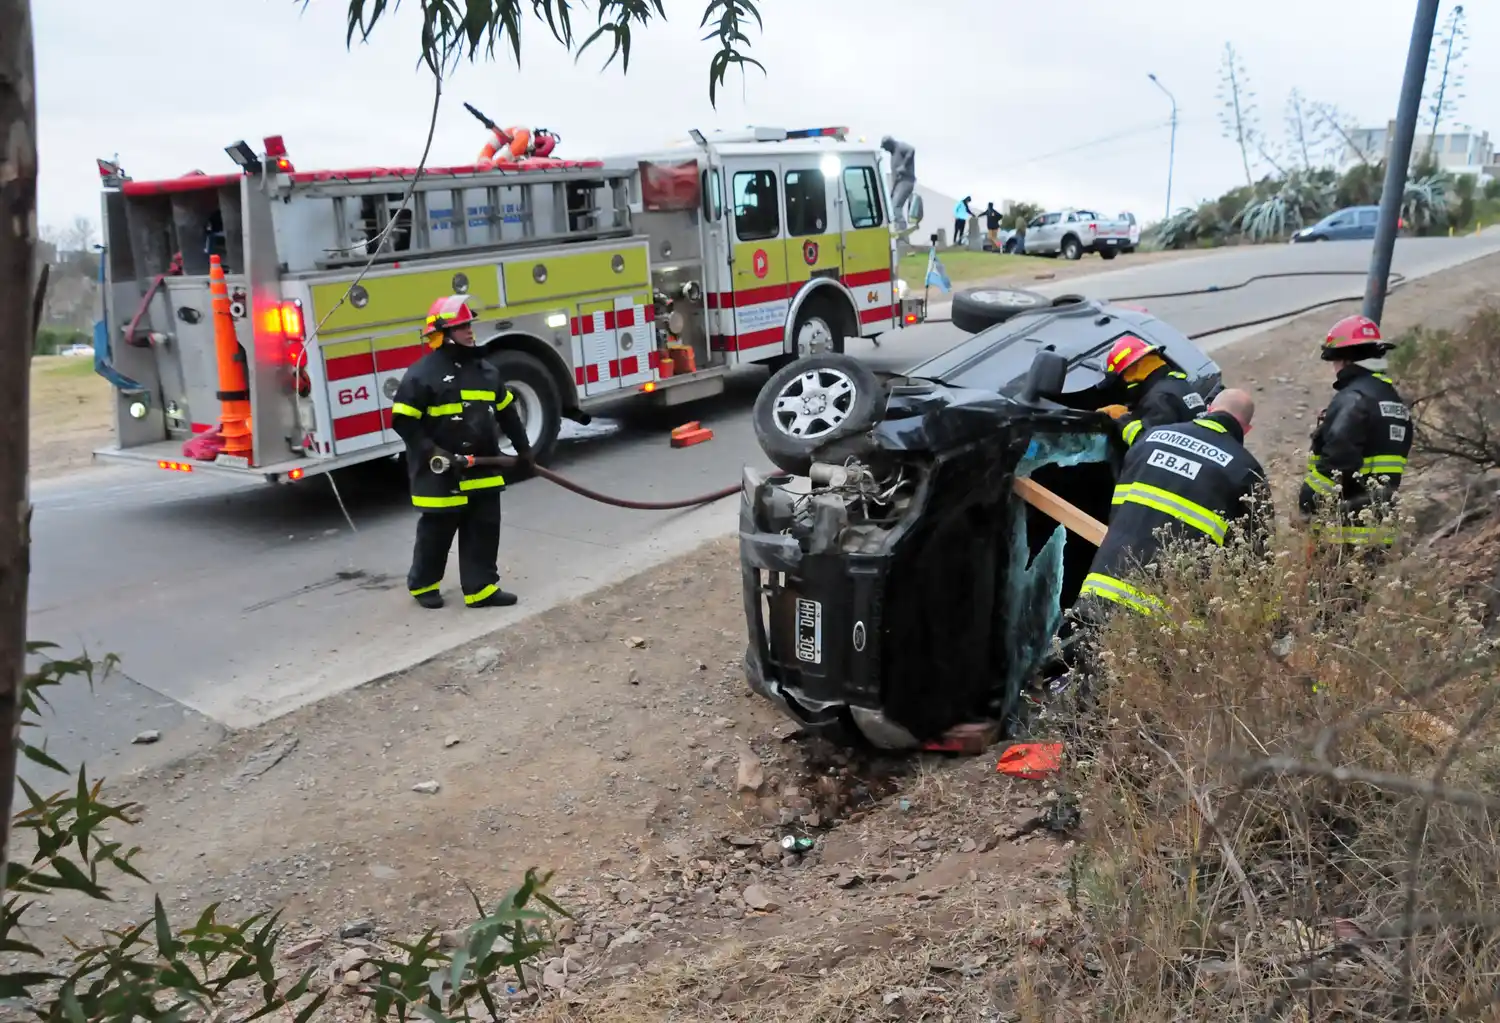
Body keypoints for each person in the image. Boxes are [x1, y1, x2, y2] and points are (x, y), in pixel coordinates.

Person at [390, 295, 536, 610]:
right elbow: (403, 421)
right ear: (442, 334)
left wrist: (525, 451)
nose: (470, 331)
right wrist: (432, 451)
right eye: (462, 327)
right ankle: (424, 585)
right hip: (440, 471)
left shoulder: (487, 372)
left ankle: (481, 589)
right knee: (437, 531)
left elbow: (507, 414)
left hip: (483, 466)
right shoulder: (421, 374)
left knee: (484, 527)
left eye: (469, 325)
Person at [1297, 315, 1412, 548]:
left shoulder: (1353, 398)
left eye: (1334, 360)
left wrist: (1308, 501)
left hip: (1343, 534)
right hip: (1380, 531)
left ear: (1345, 360)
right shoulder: (1395, 403)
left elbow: (1339, 461)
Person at [1096, 334, 1207, 447]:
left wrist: (1122, 418)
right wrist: (1131, 413)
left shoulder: (1158, 398)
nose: (1125, 381)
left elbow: (1149, 446)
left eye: (1123, 376)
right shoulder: (1177, 384)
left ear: (1135, 368)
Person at [880, 136, 917, 231]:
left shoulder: (900, 146)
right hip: (898, 183)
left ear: (890, 144)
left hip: (906, 181)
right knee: (891, 208)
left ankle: (901, 228)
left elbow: (911, 150)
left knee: (895, 207)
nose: (886, 150)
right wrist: (892, 191)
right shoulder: (893, 155)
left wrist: (904, 165)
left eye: (886, 148)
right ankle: (896, 227)